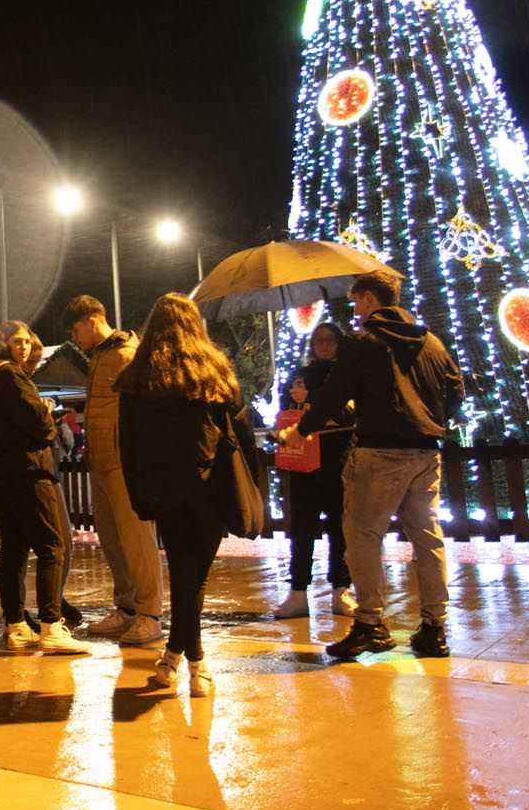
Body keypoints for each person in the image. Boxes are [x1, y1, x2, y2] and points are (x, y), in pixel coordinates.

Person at [284, 269, 464, 661]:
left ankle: (370, 624)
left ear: (368, 299)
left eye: (356, 303)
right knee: (427, 538)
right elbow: (456, 388)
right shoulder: (430, 341)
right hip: (426, 452)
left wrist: (304, 428)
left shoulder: (366, 342)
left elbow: (333, 394)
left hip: (379, 451)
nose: (355, 311)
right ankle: (435, 628)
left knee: (362, 537)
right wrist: (432, 420)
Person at [114, 292, 247, 697]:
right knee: (195, 578)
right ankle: (196, 664)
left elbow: (128, 444)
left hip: (163, 487)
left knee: (184, 575)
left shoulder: (139, 377)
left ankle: (176, 657)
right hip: (210, 487)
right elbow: (237, 425)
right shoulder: (214, 371)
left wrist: (139, 497)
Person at [0, 321, 91, 656]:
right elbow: (38, 425)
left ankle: (16, 625)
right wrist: (48, 411)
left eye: (27, 341)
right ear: (3, 343)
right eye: (17, 341)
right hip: (29, 470)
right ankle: (52, 627)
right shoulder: (10, 375)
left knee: (14, 548)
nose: (24, 347)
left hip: (5, 473)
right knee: (52, 545)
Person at [65, 294, 165, 647]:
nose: (74, 339)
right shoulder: (100, 356)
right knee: (112, 540)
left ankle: (149, 613)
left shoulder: (125, 355)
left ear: (92, 322)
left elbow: (144, 409)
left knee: (137, 540)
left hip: (124, 462)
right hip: (102, 462)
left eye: (76, 330)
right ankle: (126, 608)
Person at [271, 321, 355, 620]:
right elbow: (283, 415)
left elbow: (349, 413)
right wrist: (294, 403)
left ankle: (341, 589)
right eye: (319, 339)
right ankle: (297, 592)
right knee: (302, 529)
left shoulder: (346, 374)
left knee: (340, 527)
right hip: (303, 461)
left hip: (337, 460)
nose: (324, 345)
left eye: (330, 340)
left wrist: (313, 404)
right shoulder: (300, 376)